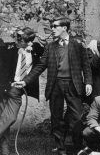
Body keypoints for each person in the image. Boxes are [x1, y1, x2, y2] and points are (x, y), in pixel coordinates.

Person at [14, 17, 92, 155]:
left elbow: (86, 65)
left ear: (65, 28)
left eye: (55, 26)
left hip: (73, 84)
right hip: (55, 85)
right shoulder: (51, 46)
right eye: (52, 26)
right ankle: (60, 149)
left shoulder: (78, 44)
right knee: (56, 118)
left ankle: (78, 147)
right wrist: (25, 81)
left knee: (78, 117)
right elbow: (40, 66)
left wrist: (88, 82)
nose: (53, 29)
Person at [0, 28, 44, 155]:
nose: (17, 41)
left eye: (21, 39)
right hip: (3, 88)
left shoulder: (35, 50)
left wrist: (43, 43)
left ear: (29, 41)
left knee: (10, 117)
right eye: (17, 38)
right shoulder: (10, 48)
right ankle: (5, 150)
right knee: (3, 119)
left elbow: (47, 53)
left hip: (17, 90)